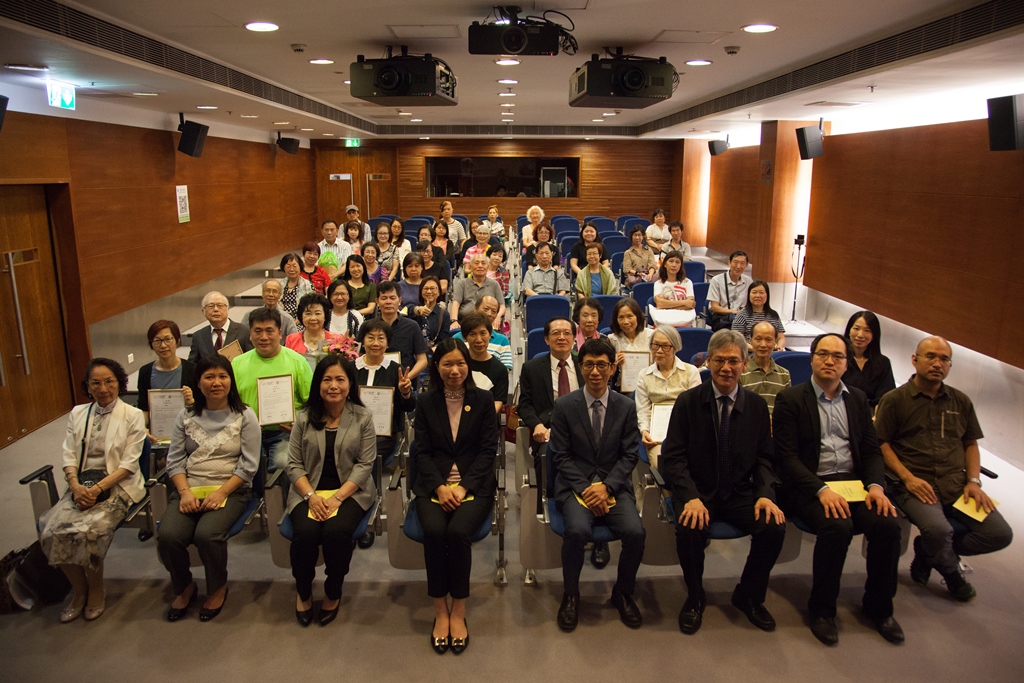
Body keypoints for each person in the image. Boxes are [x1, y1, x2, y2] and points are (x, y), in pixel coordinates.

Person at [772, 333, 904, 645]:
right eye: (823, 354)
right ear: (812, 359)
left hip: (854, 485)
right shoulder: (791, 399)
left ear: (846, 364)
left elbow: (871, 452)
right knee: (837, 526)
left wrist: (876, 487)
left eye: (838, 356)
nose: (830, 361)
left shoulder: (857, 399)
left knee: (887, 524)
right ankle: (822, 610)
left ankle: (879, 607)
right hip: (809, 485)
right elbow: (787, 458)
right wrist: (821, 490)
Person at [660, 329, 786, 635]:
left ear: (745, 363)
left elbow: (765, 458)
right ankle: (695, 597)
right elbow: (673, 457)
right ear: (709, 362)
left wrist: (765, 494)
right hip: (699, 492)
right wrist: (689, 496)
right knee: (689, 528)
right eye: (719, 360)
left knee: (773, 526)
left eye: (733, 361)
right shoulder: (688, 402)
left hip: (740, 492)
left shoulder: (756, 406)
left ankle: (749, 594)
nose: (726, 368)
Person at [875, 336, 1013, 602]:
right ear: (915, 360)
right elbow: (882, 444)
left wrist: (973, 481)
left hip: (956, 485)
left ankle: (928, 551)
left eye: (944, 359)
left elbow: (970, 444)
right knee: (939, 531)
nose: (938, 363)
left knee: (999, 534)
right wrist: (907, 478)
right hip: (915, 485)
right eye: (931, 356)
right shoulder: (894, 399)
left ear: (949, 365)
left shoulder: (960, 401)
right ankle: (951, 572)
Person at [549, 337, 647, 632]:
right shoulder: (564, 406)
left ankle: (623, 592)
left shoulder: (625, 406)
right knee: (577, 532)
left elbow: (630, 455)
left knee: (635, 533)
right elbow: (560, 455)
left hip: (613, 486)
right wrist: (586, 488)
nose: (595, 372)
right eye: (589, 365)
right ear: (580, 368)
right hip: (575, 486)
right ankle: (571, 594)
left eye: (602, 365)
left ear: (612, 368)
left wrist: (607, 487)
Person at [40, 358, 147, 623]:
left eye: (109, 381)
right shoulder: (78, 413)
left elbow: (129, 465)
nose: (103, 388)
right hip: (81, 486)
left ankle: (96, 589)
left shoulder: (132, 415)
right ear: (87, 386)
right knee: (50, 530)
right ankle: (79, 591)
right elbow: (68, 454)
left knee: (91, 530)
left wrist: (98, 489)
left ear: (119, 383)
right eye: (95, 383)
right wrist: (75, 485)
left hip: (117, 486)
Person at [158, 354, 260, 622]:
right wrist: (184, 492)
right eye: (209, 377)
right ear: (198, 382)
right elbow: (174, 460)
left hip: (231, 489)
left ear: (231, 381)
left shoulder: (245, 415)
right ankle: (184, 586)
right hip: (189, 488)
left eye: (222, 376)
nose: (217, 383)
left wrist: (222, 492)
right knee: (168, 535)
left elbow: (249, 465)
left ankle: (216, 588)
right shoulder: (185, 415)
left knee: (207, 534)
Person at [414, 338, 497, 655]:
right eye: (447, 364)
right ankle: (440, 610)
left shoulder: (483, 399)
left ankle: (458, 610)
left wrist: (463, 487)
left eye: (460, 363)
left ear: (468, 365)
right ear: (437, 367)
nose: (455, 370)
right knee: (435, 532)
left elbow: (488, 451)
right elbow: (421, 452)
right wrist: (440, 487)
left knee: (459, 532)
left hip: (473, 485)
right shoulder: (426, 402)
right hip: (433, 485)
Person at [286, 355, 377, 627]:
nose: (333, 386)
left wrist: (337, 498)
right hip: (308, 490)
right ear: (318, 384)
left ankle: (333, 590)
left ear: (350, 384)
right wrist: (311, 496)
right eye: (327, 380)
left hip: (350, 492)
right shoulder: (304, 417)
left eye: (340, 379)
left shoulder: (362, 417)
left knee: (336, 533)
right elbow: (293, 464)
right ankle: (303, 590)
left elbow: (365, 464)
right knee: (305, 534)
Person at [231, 308, 313, 474]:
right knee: (246, 471)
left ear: (280, 333)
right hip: (246, 433)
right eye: (258, 331)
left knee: (282, 465)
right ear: (250, 334)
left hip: (285, 433)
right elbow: (230, 403)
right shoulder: (237, 363)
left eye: (269, 331)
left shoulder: (297, 362)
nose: (264, 337)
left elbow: (311, 402)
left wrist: (298, 424)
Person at [635, 326, 701, 468]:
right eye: (655, 345)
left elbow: (696, 408)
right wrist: (644, 431)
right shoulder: (644, 375)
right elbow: (643, 410)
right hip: (657, 435)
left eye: (665, 346)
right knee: (661, 466)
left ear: (675, 347)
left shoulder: (691, 371)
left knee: (691, 465)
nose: (659, 350)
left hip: (686, 431)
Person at [356, 319, 417, 459]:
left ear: (388, 343)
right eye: (370, 338)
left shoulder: (396, 369)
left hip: (383, 435)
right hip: (353, 430)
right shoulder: (351, 367)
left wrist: (405, 393)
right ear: (363, 341)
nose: (375, 343)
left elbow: (409, 407)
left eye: (381, 338)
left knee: (367, 453)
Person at [360, 281, 428, 380]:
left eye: (392, 298)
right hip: (373, 381)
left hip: (405, 381)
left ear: (399, 300)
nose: (388, 302)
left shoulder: (412, 326)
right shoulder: (367, 326)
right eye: (384, 298)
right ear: (377, 301)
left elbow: (422, 360)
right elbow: (360, 356)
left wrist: (406, 379)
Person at [138, 320, 196, 435]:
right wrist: (142, 428)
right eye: (157, 341)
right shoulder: (145, 372)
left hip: (188, 431)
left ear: (177, 340)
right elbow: (144, 408)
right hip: (157, 433)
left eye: (167, 339)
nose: (163, 345)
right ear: (151, 344)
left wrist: (191, 401)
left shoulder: (192, 370)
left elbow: (201, 408)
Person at [842, 310, 896, 408]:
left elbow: (886, 398)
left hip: (871, 412)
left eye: (867, 330)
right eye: (856, 328)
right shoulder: (839, 358)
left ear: (874, 335)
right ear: (849, 331)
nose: (860, 335)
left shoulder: (883, 363)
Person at [460, 312, 508, 414]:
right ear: (465, 337)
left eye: (483, 333)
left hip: (486, 420)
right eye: (472, 334)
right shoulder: (458, 364)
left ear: (490, 335)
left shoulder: (500, 369)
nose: (479, 340)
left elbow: (497, 404)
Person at [739, 321, 791, 414]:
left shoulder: (784, 374)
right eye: (758, 339)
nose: (763, 345)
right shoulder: (740, 372)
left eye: (768, 340)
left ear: (775, 342)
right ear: (750, 341)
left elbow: (787, 408)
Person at [188, 291, 252, 364]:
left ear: (228, 309)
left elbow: (252, 359)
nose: (216, 309)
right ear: (203, 311)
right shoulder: (198, 336)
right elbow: (192, 365)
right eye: (211, 306)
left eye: (220, 306)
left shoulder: (244, 331)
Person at [452, 296, 512, 371]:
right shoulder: (457, 338)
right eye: (486, 309)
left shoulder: (502, 340)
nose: (489, 314)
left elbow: (505, 371)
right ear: (475, 308)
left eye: (494, 311)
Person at [285, 293, 340, 368]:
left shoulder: (336, 340)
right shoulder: (291, 340)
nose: (313, 318)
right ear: (301, 316)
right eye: (308, 313)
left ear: (325, 316)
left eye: (317, 313)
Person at [449, 254, 504, 329]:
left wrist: (498, 317)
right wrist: (454, 321)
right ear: (471, 267)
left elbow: (502, 305)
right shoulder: (462, 283)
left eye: (483, 263)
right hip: (465, 323)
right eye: (476, 263)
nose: (480, 266)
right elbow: (456, 303)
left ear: (487, 267)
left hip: (488, 324)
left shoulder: (494, 284)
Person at [607, 298, 653, 386]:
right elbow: (607, 374)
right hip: (624, 388)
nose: (626, 322)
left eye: (629, 316)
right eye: (621, 317)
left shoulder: (652, 336)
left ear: (637, 316)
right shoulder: (612, 339)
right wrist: (614, 362)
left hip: (650, 385)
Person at [732, 280, 786, 348]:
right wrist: (757, 349)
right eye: (754, 292)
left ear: (767, 295)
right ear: (749, 295)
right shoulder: (742, 316)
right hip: (750, 352)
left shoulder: (773, 315)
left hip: (772, 352)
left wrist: (779, 346)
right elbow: (737, 340)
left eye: (761, 292)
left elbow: (781, 338)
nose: (758, 295)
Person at [708, 250, 753, 331]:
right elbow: (715, 307)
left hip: (743, 318)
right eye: (735, 262)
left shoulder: (748, 281)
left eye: (742, 263)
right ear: (729, 262)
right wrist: (735, 312)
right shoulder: (717, 280)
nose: (738, 266)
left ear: (746, 265)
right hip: (723, 318)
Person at [651, 250, 696, 328]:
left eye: (677, 262)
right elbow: (660, 303)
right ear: (665, 264)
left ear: (681, 265)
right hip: (664, 323)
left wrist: (666, 305)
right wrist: (684, 302)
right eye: (671, 261)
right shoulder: (658, 284)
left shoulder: (687, 282)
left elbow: (690, 304)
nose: (674, 265)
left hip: (684, 322)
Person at [410, 275, 450, 350]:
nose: (429, 291)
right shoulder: (413, 306)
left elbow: (443, 339)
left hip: (434, 351)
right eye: (425, 288)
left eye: (432, 288)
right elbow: (408, 310)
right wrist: (418, 310)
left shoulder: (444, 314)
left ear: (439, 292)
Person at [280, 253, 314, 321]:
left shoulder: (307, 284)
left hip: (302, 319)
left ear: (300, 267)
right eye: (288, 267)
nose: (291, 269)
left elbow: (311, 305)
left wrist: (298, 320)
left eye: (295, 266)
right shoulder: (280, 284)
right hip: (281, 319)